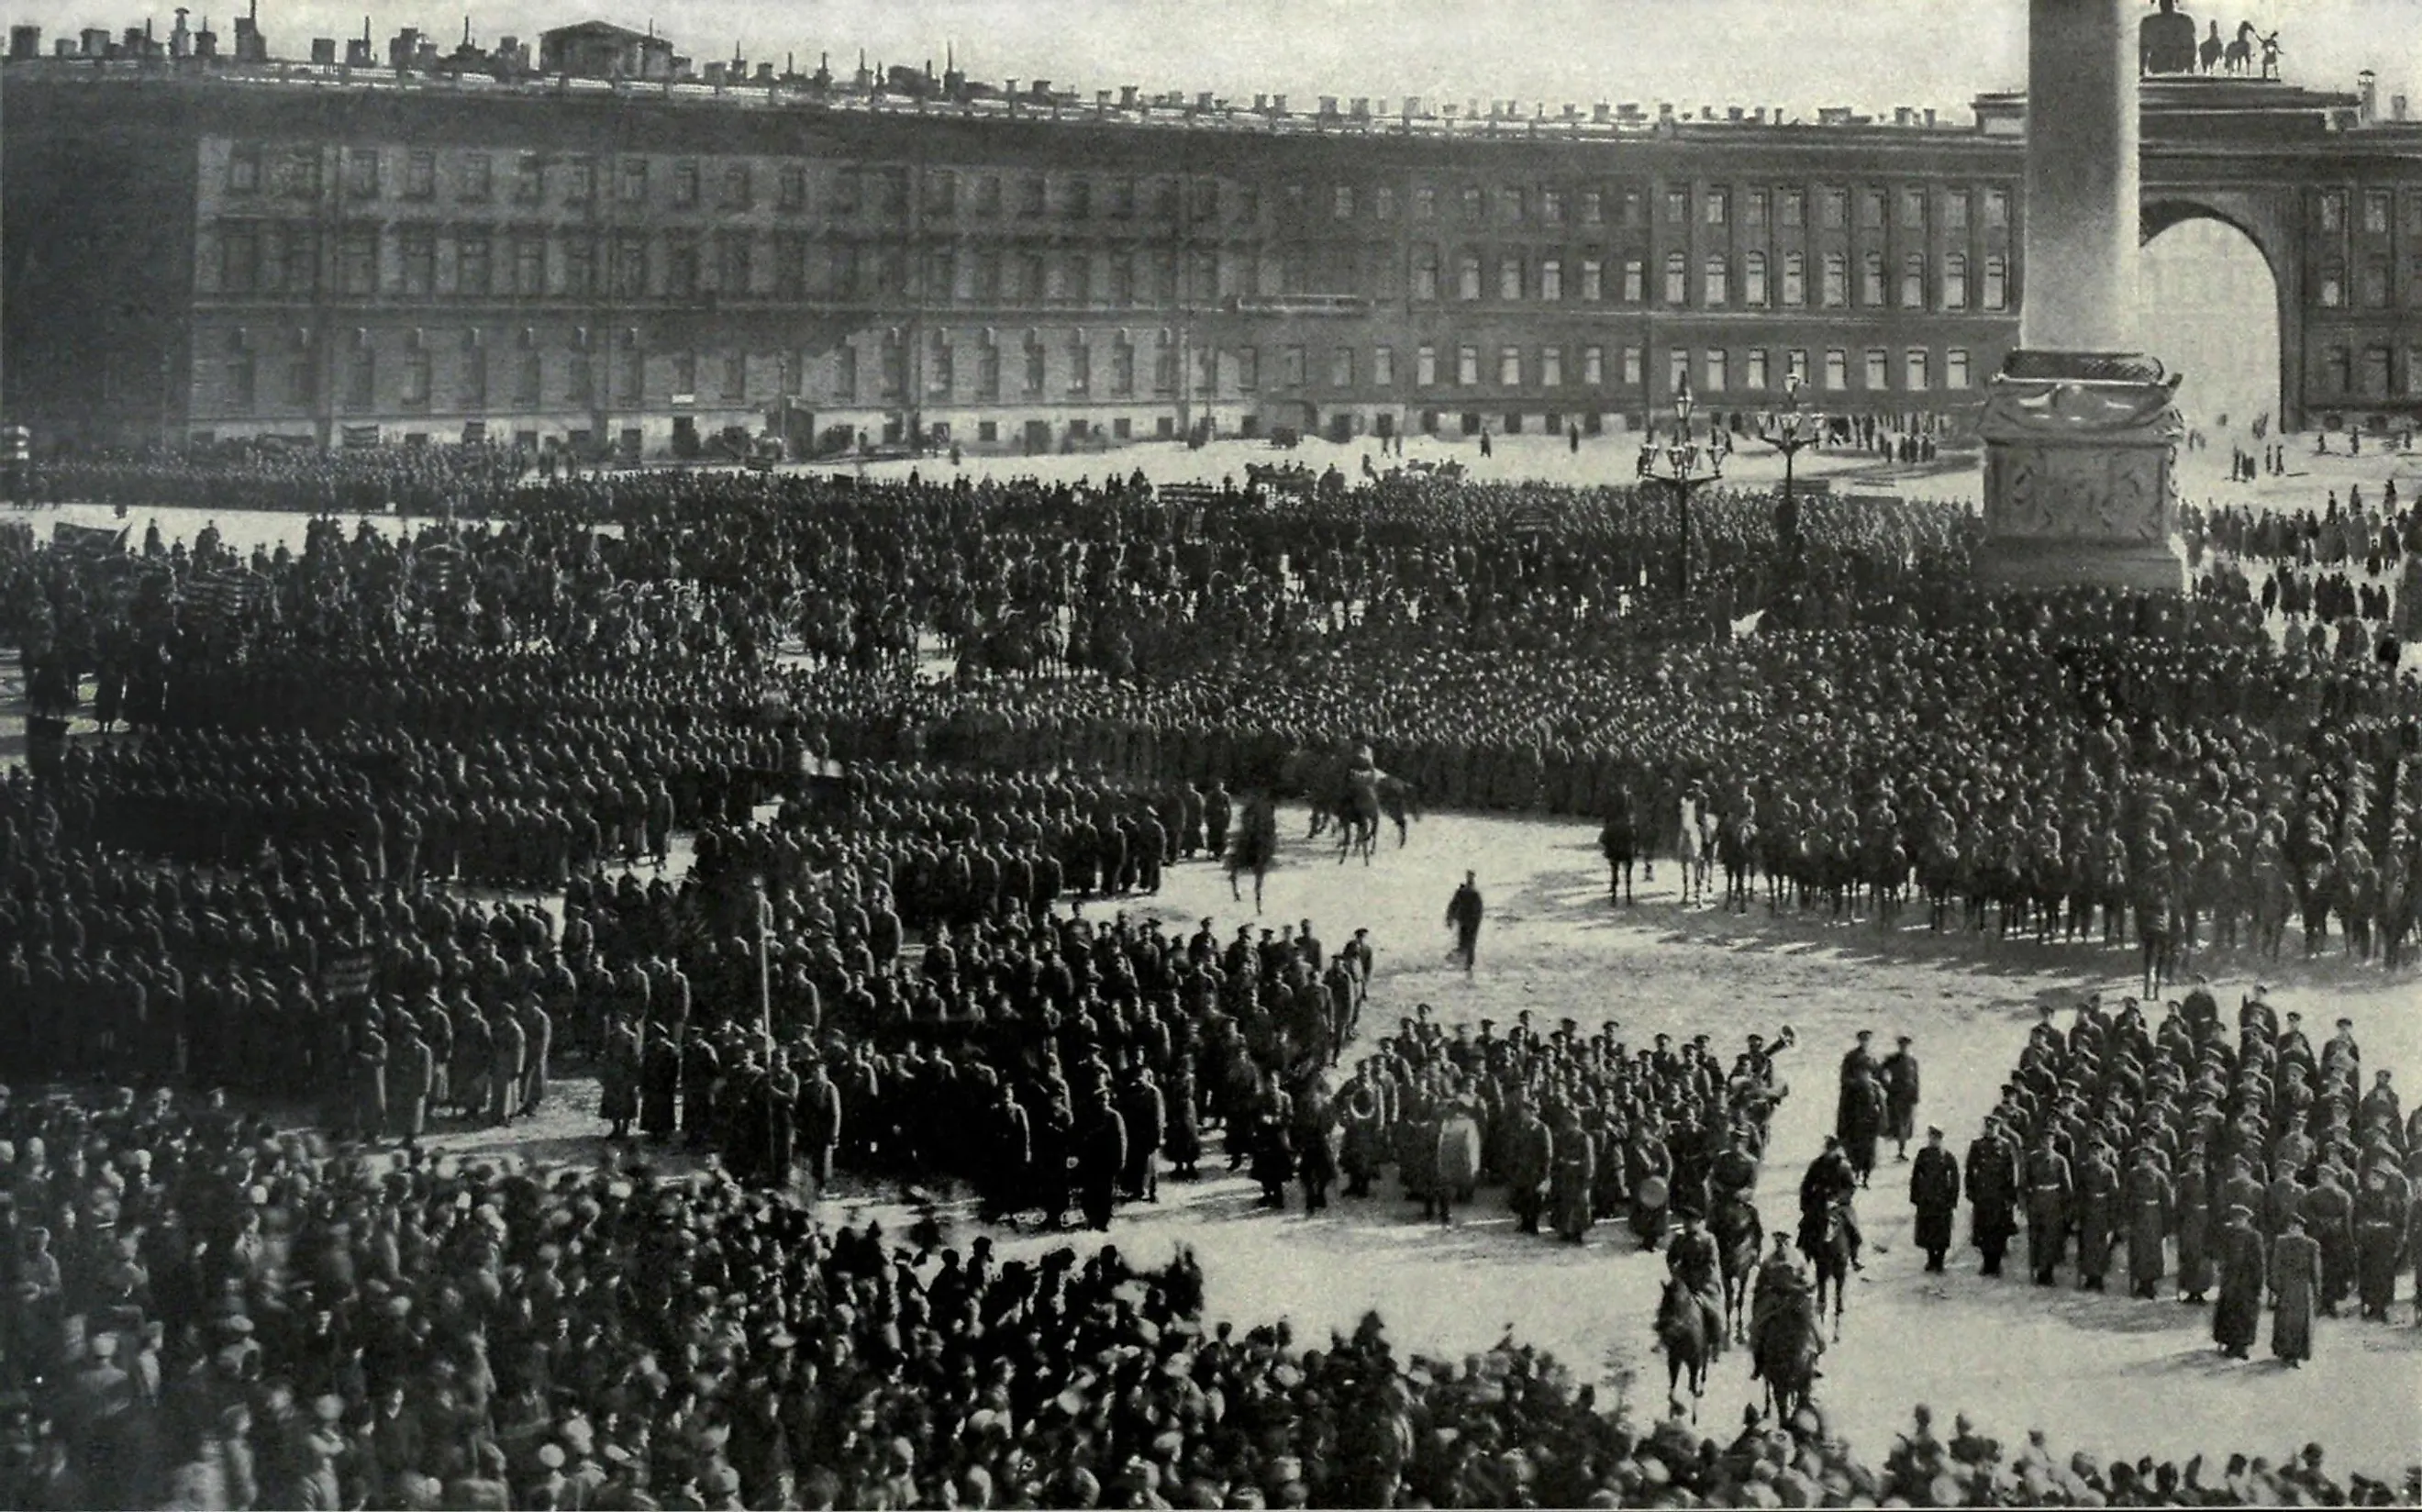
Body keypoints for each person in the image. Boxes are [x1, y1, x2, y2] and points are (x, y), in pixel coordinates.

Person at [2212, 1204, 2266, 1360]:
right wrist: (2222, 1266)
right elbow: (2222, 1254)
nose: (2238, 1222)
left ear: (2247, 1220)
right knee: (2229, 1311)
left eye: (2241, 1219)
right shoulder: (2228, 1234)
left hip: (2247, 1280)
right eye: (2235, 1219)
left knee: (2246, 1313)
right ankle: (2230, 1343)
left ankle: (2242, 1346)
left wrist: (2258, 1282)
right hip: (2231, 1280)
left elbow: (2259, 1262)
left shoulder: (2254, 1236)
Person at [2271, 1213, 2321, 1367]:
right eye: (2290, 1227)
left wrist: (2317, 1290)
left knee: (2300, 1322)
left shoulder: (2311, 1245)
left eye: (2296, 1227)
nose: (2292, 1230)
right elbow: (2275, 1265)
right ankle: (2285, 1352)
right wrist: (2274, 1287)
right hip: (2286, 1286)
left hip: (2302, 1287)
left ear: (2302, 1228)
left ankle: (2296, 1353)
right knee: (2284, 1321)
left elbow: (2315, 1270)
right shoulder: (2281, 1243)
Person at [1909, 1127, 1961, 1273]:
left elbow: (1955, 1180)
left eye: (1936, 1138)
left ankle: (1940, 1261)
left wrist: (1953, 1199)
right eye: (1931, 1138)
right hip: (1926, 1200)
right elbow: (1915, 1176)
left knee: (1942, 1232)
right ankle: (1931, 1259)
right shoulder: (1923, 1154)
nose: (1933, 1141)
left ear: (1940, 1139)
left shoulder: (1947, 1156)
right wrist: (1915, 1196)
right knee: (1927, 1231)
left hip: (1942, 1201)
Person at [1881, 1036, 1921, 1162]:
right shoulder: (1893, 1059)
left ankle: (1901, 1151)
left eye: (1906, 1046)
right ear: (1899, 1046)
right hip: (1896, 1096)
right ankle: (1892, 1151)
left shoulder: (1912, 1061)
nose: (1904, 1048)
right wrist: (1888, 1087)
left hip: (1908, 1097)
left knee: (1906, 1123)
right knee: (1896, 1124)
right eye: (1902, 1045)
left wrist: (1916, 1095)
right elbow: (1879, 1073)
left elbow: (1916, 1080)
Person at [1444, 872, 1483, 973]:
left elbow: (1479, 910)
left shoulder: (1474, 893)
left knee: (1468, 946)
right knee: (1465, 945)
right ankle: (1460, 963)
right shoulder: (1463, 892)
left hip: (1471, 922)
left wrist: (1450, 918)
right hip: (1466, 921)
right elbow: (1453, 906)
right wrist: (1450, 918)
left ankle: (1467, 967)